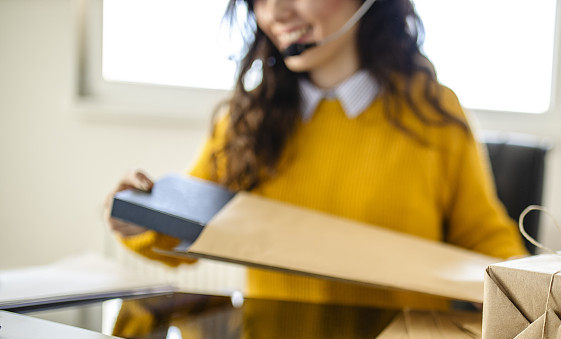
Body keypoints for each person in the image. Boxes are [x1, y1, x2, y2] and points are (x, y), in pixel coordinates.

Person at [107, 0, 526, 311]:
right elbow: (186, 228)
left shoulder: (433, 111)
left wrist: (536, 290)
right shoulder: (247, 119)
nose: (276, 13)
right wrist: (137, 216)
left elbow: (485, 240)